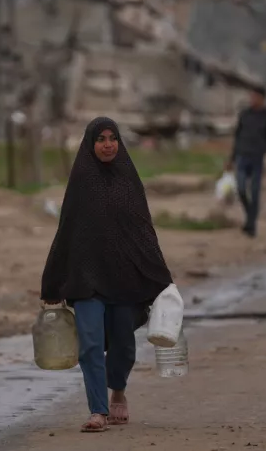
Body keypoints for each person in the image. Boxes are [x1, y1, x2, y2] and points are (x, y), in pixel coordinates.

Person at [40, 117, 174, 433]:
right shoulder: (81, 181)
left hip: (124, 277)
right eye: (100, 139)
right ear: (90, 144)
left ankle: (119, 391)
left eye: (112, 138)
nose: (108, 144)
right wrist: (53, 282)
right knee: (90, 344)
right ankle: (98, 410)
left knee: (123, 345)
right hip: (86, 277)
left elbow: (143, 231)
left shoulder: (129, 180)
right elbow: (66, 232)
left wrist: (160, 278)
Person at [226, 86, 266, 238]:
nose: (252, 100)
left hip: (257, 158)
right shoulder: (245, 115)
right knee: (241, 188)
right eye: (251, 97)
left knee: (255, 191)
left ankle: (251, 225)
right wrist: (231, 159)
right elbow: (237, 137)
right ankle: (250, 216)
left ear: (262, 99)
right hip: (242, 156)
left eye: (255, 97)